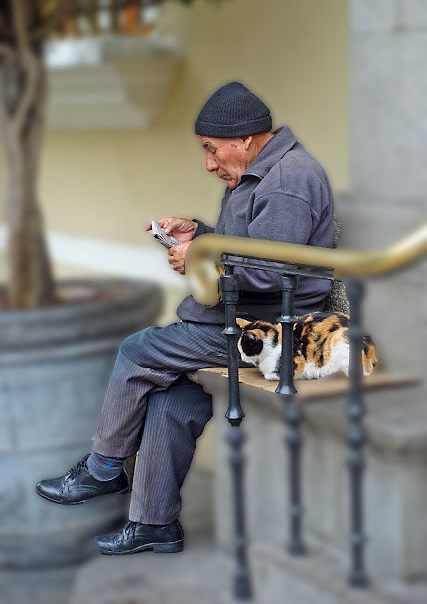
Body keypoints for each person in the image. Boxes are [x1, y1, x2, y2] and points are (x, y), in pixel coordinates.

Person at [36, 81, 335, 556]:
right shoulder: (264, 171)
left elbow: (271, 269)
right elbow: (254, 247)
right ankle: (154, 525)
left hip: (272, 329)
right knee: (171, 397)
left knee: (138, 351)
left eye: (212, 150)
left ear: (243, 139)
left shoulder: (288, 180)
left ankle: (103, 469)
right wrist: (201, 234)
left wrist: (202, 256)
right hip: (238, 317)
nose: (209, 164)